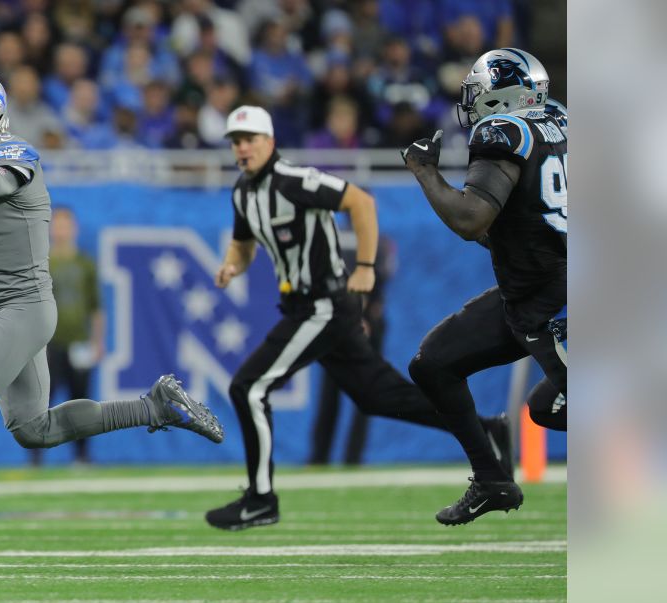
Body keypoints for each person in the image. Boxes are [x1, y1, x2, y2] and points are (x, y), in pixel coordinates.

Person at [0, 69, 224, 570]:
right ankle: (155, 408)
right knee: (33, 429)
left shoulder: (15, 156)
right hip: (0, 311)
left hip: (25, 308)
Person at [206, 105, 510, 531]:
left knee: (248, 387)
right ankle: (485, 431)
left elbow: (360, 202)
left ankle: (260, 499)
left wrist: (365, 267)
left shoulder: (293, 179)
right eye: (236, 141)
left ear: (269, 141)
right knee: (379, 397)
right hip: (306, 307)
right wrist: (230, 265)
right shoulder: (243, 192)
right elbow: (242, 243)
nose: (242, 148)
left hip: (323, 304)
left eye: (249, 139)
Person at [402, 48, 567, 525]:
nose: (472, 105)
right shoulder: (561, 120)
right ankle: (491, 480)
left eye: (478, 94)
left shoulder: (505, 131)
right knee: (433, 364)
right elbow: (529, 214)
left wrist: (424, 171)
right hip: (533, 293)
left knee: (553, 407)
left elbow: (471, 219)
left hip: (554, 303)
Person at [309, 236, 395, 466]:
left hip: (343, 320)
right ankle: (343, 458)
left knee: (344, 392)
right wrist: (360, 315)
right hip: (352, 320)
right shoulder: (374, 241)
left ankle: (325, 457)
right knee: (353, 393)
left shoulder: (339, 238)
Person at [29, 206, 103, 466]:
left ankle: (81, 456)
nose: (61, 230)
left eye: (65, 224)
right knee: (41, 400)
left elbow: (95, 307)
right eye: (56, 224)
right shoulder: (41, 262)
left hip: (79, 341)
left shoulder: (85, 264)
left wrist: (97, 342)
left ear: (74, 228)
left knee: (80, 401)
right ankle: (36, 455)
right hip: (48, 343)